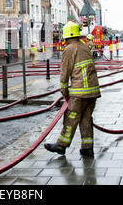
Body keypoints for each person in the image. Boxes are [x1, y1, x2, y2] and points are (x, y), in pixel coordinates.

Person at [44, 21, 101, 157]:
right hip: (93, 92)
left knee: (71, 118)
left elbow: (65, 72)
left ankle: (61, 145)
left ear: (66, 37)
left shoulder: (69, 49)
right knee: (86, 118)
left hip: (79, 92)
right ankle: (87, 148)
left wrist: (64, 90)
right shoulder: (85, 47)